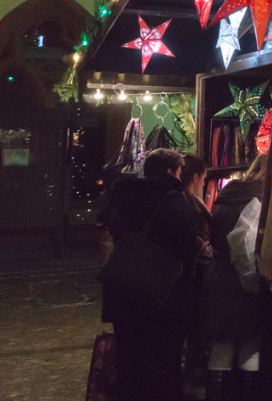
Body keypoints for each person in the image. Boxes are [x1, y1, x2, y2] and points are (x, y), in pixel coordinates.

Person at [99, 148, 200, 401]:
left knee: (129, 363)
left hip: (123, 292)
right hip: (160, 301)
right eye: (179, 171)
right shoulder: (176, 202)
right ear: (170, 172)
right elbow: (185, 252)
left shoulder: (125, 195)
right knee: (163, 367)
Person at [201, 155, 272, 401]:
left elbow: (214, 237)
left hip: (219, 280)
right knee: (250, 346)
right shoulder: (265, 199)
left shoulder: (225, 196)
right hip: (248, 282)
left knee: (221, 349)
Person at [180, 154, 213, 391]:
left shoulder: (170, 200)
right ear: (195, 177)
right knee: (194, 336)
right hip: (191, 282)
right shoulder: (191, 206)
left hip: (173, 283)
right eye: (203, 179)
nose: (204, 184)